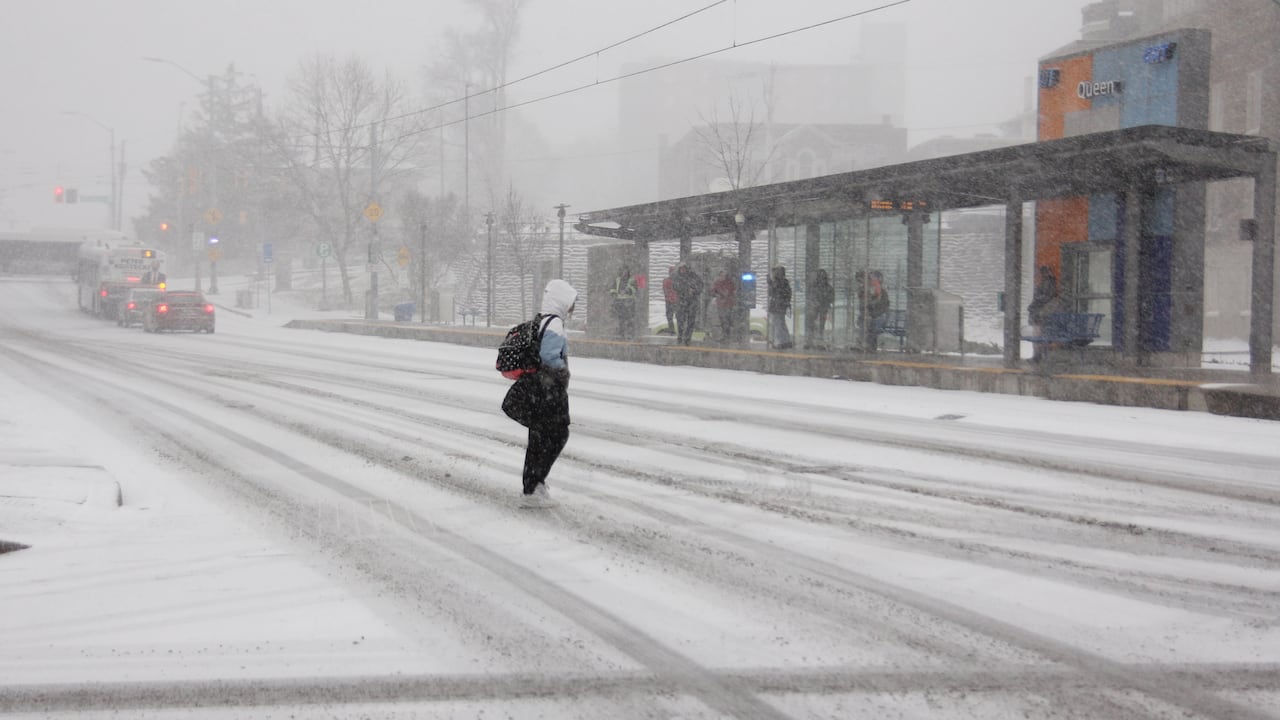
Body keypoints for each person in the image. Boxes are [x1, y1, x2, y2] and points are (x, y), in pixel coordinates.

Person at [520, 278, 578, 508]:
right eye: (571, 301)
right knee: (557, 435)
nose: (572, 307)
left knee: (539, 437)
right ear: (561, 300)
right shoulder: (554, 324)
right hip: (549, 389)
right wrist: (562, 372)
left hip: (540, 387)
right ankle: (534, 487)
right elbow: (549, 356)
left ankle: (534, 485)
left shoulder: (544, 320)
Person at [1027, 265, 1062, 362]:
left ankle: (1038, 355)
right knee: (1041, 334)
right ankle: (1040, 354)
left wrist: (1033, 306)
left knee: (1038, 334)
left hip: (1041, 314)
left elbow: (1043, 298)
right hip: (1042, 314)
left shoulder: (1047, 284)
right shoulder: (1050, 283)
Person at [674, 262, 702, 345]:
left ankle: (687, 338)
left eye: (684, 269)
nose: (682, 270)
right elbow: (675, 286)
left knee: (691, 321)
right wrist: (685, 290)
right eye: (681, 269)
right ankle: (680, 336)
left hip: (692, 302)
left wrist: (694, 291)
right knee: (680, 321)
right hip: (682, 301)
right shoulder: (677, 277)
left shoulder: (694, 276)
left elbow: (700, 286)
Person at [805, 268, 834, 349]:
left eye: (823, 276)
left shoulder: (827, 287)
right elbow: (810, 296)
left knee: (820, 325)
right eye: (820, 276)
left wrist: (824, 302)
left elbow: (831, 298)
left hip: (821, 309)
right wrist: (814, 302)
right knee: (814, 324)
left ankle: (818, 341)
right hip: (816, 309)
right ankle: (812, 341)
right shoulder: (815, 287)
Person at [863, 270, 891, 352]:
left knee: (873, 328)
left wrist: (872, 307)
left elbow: (882, 306)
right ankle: (870, 347)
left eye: (873, 278)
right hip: (875, 316)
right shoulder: (871, 291)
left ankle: (871, 347)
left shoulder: (882, 292)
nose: (871, 281)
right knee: (870, 328)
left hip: (880, 316)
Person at [608, 265, 637, 339]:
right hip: (620, 301)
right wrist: (613, 293)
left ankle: (630, 334)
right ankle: (621, 333)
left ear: (628, 272)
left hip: (629, 301)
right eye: (623, 270)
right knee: (621, 319)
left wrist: (628, 290)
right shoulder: (617, 279)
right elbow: (613, 288)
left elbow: (635, 289)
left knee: (629, 319)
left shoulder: (632, 280)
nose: (624, 272)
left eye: (626, 271)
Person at [768, 265, 793, 349]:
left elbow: (773, 293)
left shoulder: (779, 283)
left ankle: (779, 342)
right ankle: (786, 340)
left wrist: (771, 283)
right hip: (780, 306)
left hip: (777, 306)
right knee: (781, 323)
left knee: (778, 324)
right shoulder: (784, 283)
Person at [711, 269, 736, 342]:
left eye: (723, 275)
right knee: (722, 320)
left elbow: (728, 293)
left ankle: (726, 336)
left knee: (726, 320)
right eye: (721, 275)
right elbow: (713, 291)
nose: (722, 277)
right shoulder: (717, 283)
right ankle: (724, 336)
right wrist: (716, 294)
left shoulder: (729, 283)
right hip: (720, 304)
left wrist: (721, 294)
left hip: (727, 304)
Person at [661, 265, 678, 337]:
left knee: (670, 316)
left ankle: (672, 330)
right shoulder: (678, 280)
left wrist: (667, 296)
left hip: (669, 300)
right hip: (676, 300)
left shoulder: (666, 280)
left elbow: (665, 290)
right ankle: (675, 330)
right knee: (677, 316)